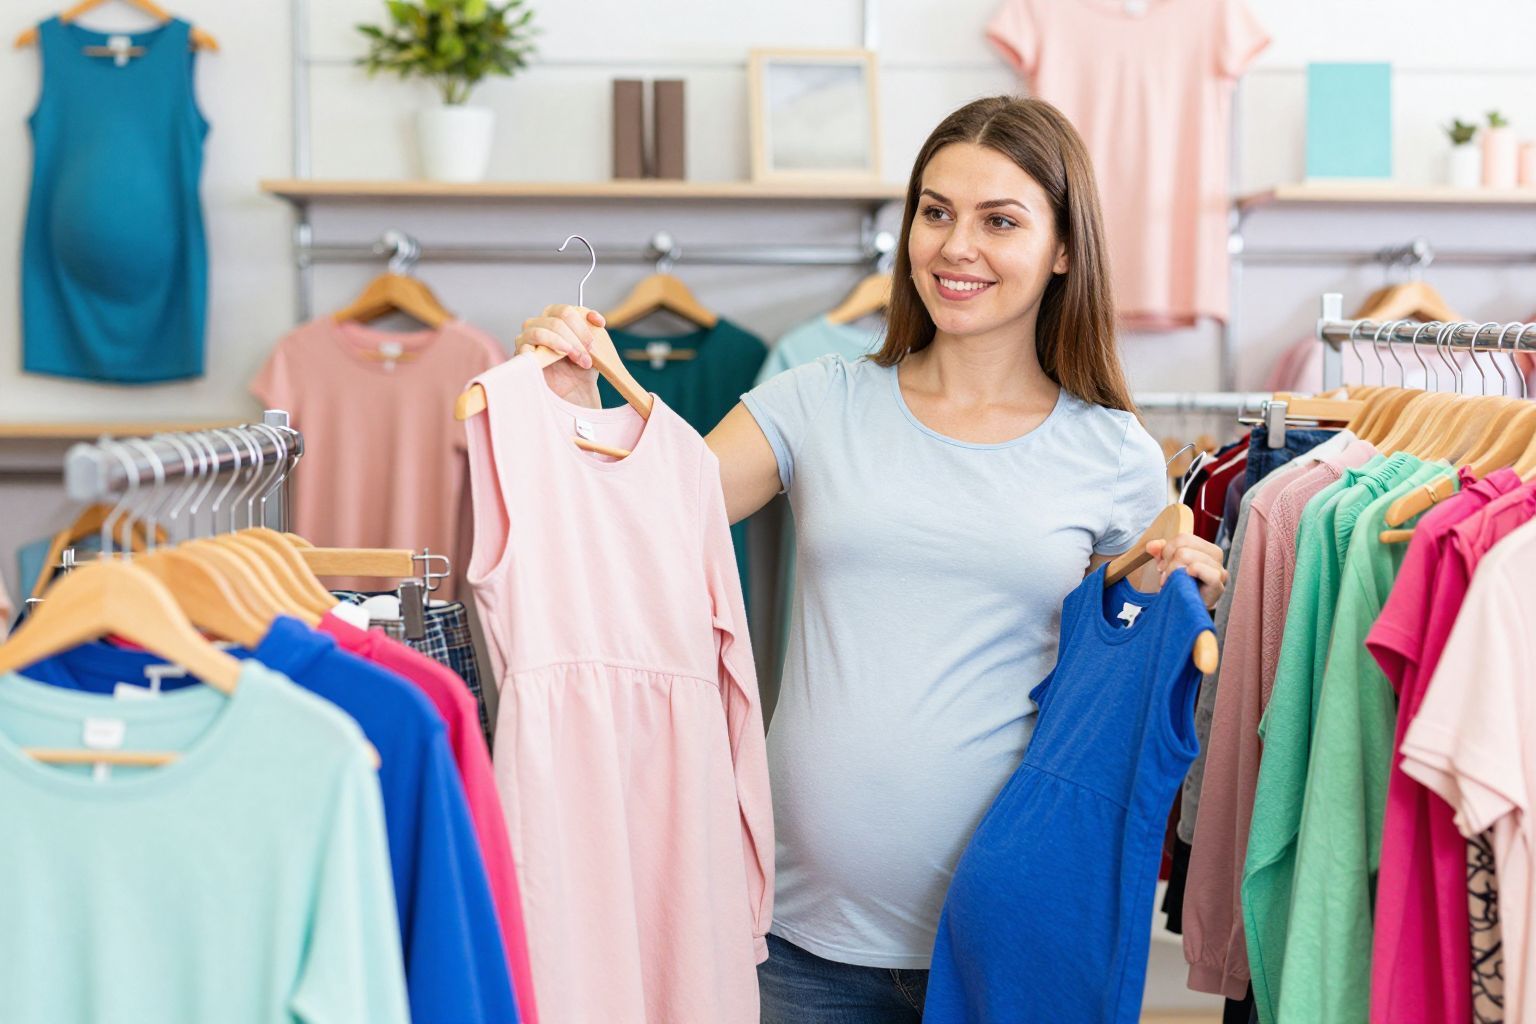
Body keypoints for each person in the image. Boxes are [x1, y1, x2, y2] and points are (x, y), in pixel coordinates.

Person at [513, 95, 1227, 1023]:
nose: (954, 247)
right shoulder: (818, 400)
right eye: (935, 212)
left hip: (1009, 940)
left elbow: (1121, 672)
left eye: (998, 220)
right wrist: (568, 402)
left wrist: (1160, 588)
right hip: (801, 943)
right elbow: (636, 510)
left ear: (1062, 249)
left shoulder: (1114, 452)